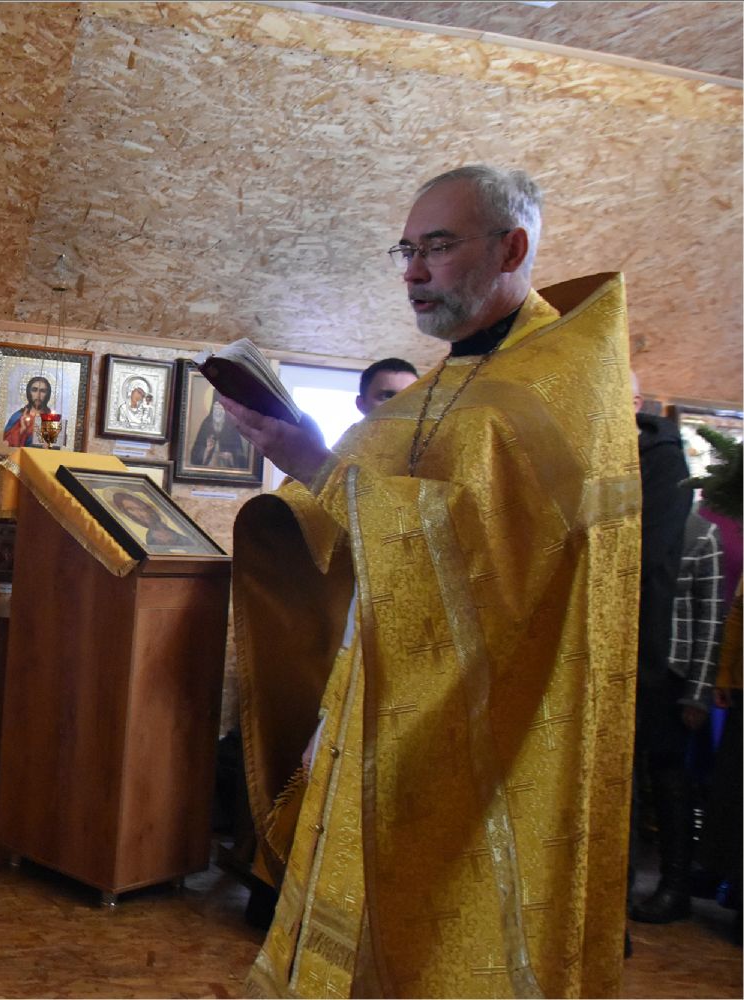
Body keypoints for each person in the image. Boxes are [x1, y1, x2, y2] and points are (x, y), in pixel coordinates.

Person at [225, 165, 638, 996]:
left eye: (437, 248)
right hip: (379, 695)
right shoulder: (446, 383)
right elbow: (373, 512)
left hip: (500, 725)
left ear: (511, 248)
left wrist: (318, 466)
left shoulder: (559, 384)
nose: (412, 272)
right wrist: (299, 486)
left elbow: (492, 556)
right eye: (406, 250)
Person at [628, 375, 697, 924]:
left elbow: (651, 561)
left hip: (657, 651)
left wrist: (696, 683)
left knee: (663, 770)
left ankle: (674, 885)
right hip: (627, 645)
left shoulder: (663, 463)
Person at [110, 489, 186, 549]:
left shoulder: (175, 527)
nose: (140, 514)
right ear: (127, 513)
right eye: (131, 510)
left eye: (140, 508)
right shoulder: (146, 537)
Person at [189, 393, 248, 468]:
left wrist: (231, 456)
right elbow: (194, 456)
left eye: (221, 408)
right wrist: (206, 450)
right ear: (212, 409)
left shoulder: (231, 426)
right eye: (216, 407)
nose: (218, 411)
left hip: (227, 469)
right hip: (208, 468)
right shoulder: (206, 424)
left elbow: (240, 456)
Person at [3, 375, 53, 448]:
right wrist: (21, 430)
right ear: (29, 392)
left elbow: (56, 446)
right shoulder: (18, 417)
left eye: (42, 391)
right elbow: (5, 445)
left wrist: (49, 444)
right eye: (34, 390)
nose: (38, 395)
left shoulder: (52, 419)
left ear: (47, 394)